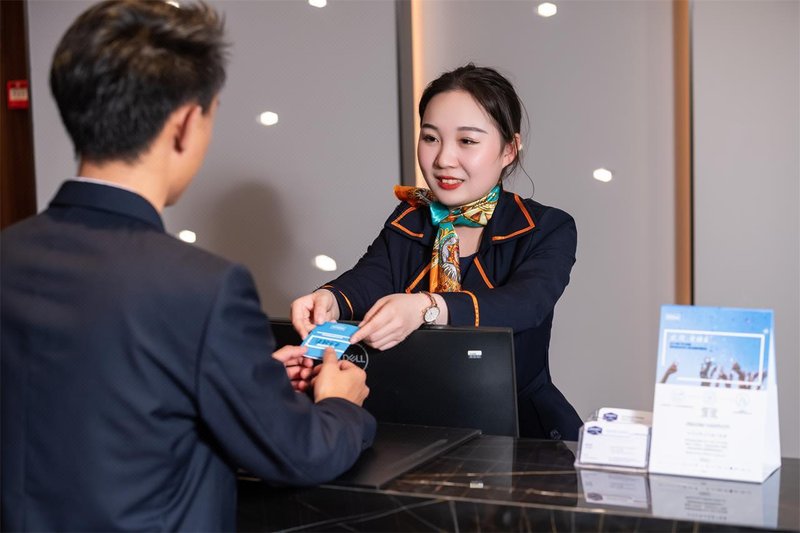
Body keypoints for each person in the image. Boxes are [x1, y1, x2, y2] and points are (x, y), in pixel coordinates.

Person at [0, 1, 374, 530]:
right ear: (184, 125)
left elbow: (96, 393)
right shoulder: (204, 287)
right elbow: (301, 452)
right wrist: (341, 405)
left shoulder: (9, 253)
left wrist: (246, 377)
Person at [292, 64, 582, 440]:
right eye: (430, 138)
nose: (444, 158)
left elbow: (525, 304)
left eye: (467, 141)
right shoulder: (411, 216)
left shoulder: (546, 226)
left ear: (509, 149)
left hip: (517, 429)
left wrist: (426, 307)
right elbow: (371, 276)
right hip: (416, 423)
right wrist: (329, 299)